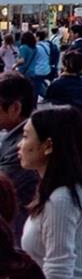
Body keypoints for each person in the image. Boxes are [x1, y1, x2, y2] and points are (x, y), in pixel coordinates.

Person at [18, 106, 82, 279]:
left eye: (25, 137)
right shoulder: (66, 188)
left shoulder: (60, 199)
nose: (19, 145)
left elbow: (58, 269)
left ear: (48, 145)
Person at [0, 74, 37, 241]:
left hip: (22, 239)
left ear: (15, 108)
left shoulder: (24, 146)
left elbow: (3, 189)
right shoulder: (28, 134)